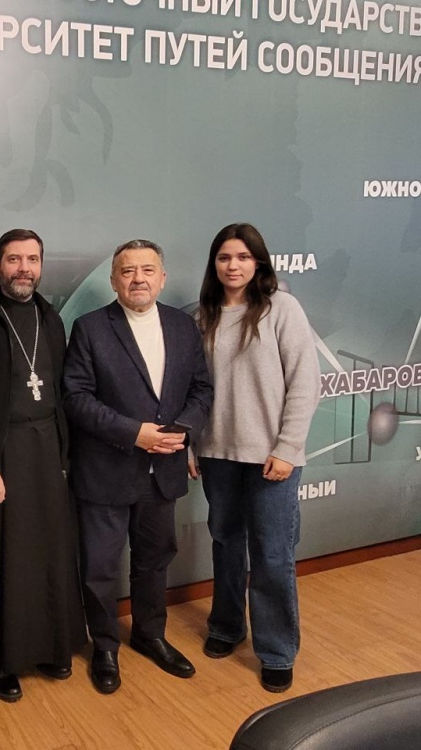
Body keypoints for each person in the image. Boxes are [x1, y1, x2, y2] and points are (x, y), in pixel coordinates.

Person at [62, 239, 212, 694]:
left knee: (154, 560)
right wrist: (134, 433)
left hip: (163, 470)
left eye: (148, 270)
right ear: (114, 280)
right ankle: (105, 647)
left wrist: (183, 431)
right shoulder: (90, 328)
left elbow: (202, 389)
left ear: (162, 278)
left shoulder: (183, 326)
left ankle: (150, 635)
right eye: (128, 271)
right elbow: (76, 398)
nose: (138, 279)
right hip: (106, 471)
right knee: (101, 568)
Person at [0, 229, 86, 703]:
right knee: (3, 559)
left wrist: (66, 455)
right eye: (14, 260)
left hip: (47, 450)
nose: (24, 269)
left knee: (47, 553)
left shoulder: (51, 319)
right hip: (3, 451)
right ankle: (0, 662)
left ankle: (50, 646)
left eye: (32, 260)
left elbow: (61, 392)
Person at [191, 223, 320, 694]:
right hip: (217, 453)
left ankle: (277, 650)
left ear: (259, 262)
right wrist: (191, 444)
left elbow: (305, 382)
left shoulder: (282, 308)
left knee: (271, 554)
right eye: (225, 257)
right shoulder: (202, 316)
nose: (233, 266)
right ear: (214, 263)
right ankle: (227, 627)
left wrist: (287, 448)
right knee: (226, 543)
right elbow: (192, 390)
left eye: (243, 257)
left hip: (272, 457)